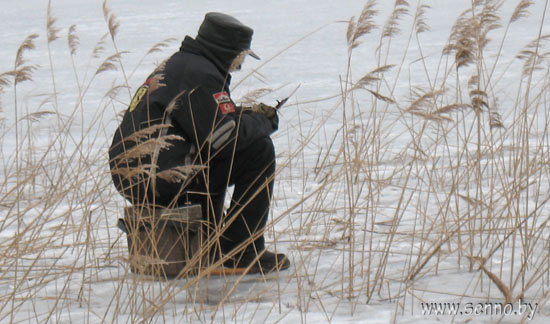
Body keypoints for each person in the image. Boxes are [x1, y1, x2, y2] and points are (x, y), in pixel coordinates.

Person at [108, 12, 290, 274]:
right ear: (227, 51)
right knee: (258, 151)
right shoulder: (201, 75)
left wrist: (243, 116)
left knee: (213, 156)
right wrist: (264, 122)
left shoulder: (183, 65)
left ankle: (211, 246)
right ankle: (239, 251)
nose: (241, 62)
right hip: (161, 177)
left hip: (139, 174)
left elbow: (204, 125)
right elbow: (224, 139)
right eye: (241, 55)